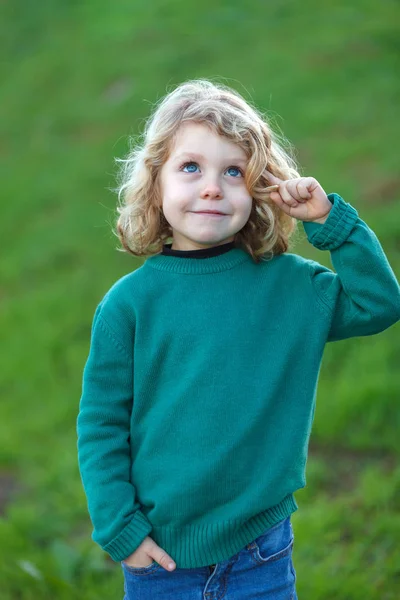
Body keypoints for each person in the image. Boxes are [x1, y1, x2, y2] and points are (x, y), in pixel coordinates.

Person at [76, 79, 400, 599]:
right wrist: (121, 529)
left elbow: (379, 304)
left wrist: (329, 222)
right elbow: (101, 423)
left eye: (233, 172)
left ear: (262, 186)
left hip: (260, 553)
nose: (212, 187)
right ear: (155, 182)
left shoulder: (291, 288)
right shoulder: (128, 305)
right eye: (190, 168)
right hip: (159, 557)